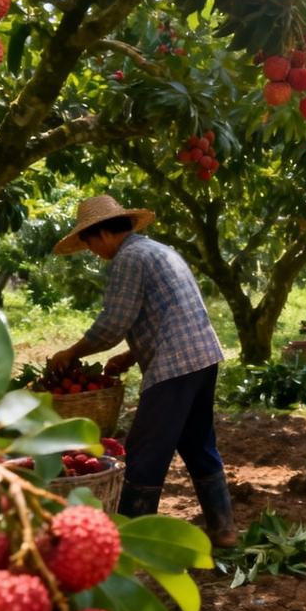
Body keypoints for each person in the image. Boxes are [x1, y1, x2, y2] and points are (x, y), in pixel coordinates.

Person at [49, 194, 237, 547]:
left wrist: (73, 352)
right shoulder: (157, 250)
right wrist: (131, 356)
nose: (92, 251)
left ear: (101, 234)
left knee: (144, 453)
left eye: (88, 244)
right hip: (202, 356)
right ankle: (224, 530)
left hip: (175, 364)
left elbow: (114, 322)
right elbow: (167, 312)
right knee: (197, 443)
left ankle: (132, 545)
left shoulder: (128, 258)